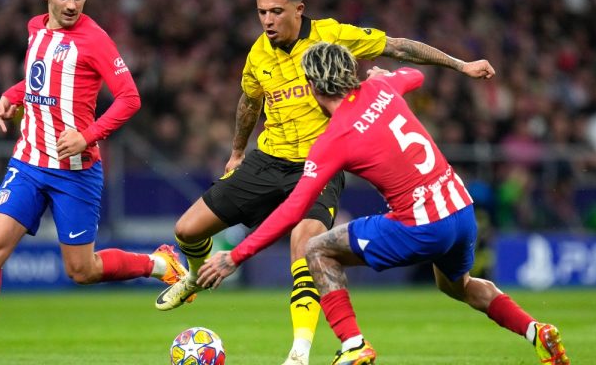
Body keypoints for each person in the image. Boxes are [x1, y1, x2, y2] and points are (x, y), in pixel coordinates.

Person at [155, 0, 495, 365]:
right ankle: (194, 279)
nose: (267, 20)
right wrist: (237, 151)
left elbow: (398, 48)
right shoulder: (257, 54)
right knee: (187, 230)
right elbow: (249, 103)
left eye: (276, 12)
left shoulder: (332, 35)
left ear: (299, 10)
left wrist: (461, 65)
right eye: (261, 12)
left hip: (321, 164)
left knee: (305, 247)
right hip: (268, 159)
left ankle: (299, 353)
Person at [197, 42, 570, 365]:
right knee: (457, 286)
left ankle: (353, 345)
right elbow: (415, 76)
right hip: (460, 209)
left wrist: (235, 256)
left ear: (312, 86)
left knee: (316, 249)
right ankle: (535, 331)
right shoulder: (380, 87)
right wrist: (383, 73)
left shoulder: (334, 139)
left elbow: (294, 210)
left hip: (422, 225)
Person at [0, 0, 189, 365]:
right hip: (30, 161)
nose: (72, 4)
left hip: (76, 172)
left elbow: (130, 98)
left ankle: (158, 264)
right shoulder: (36, 28)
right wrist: (12, 95)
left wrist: (88, 136)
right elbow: (42, 78)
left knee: (81, 271)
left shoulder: (96, 39)